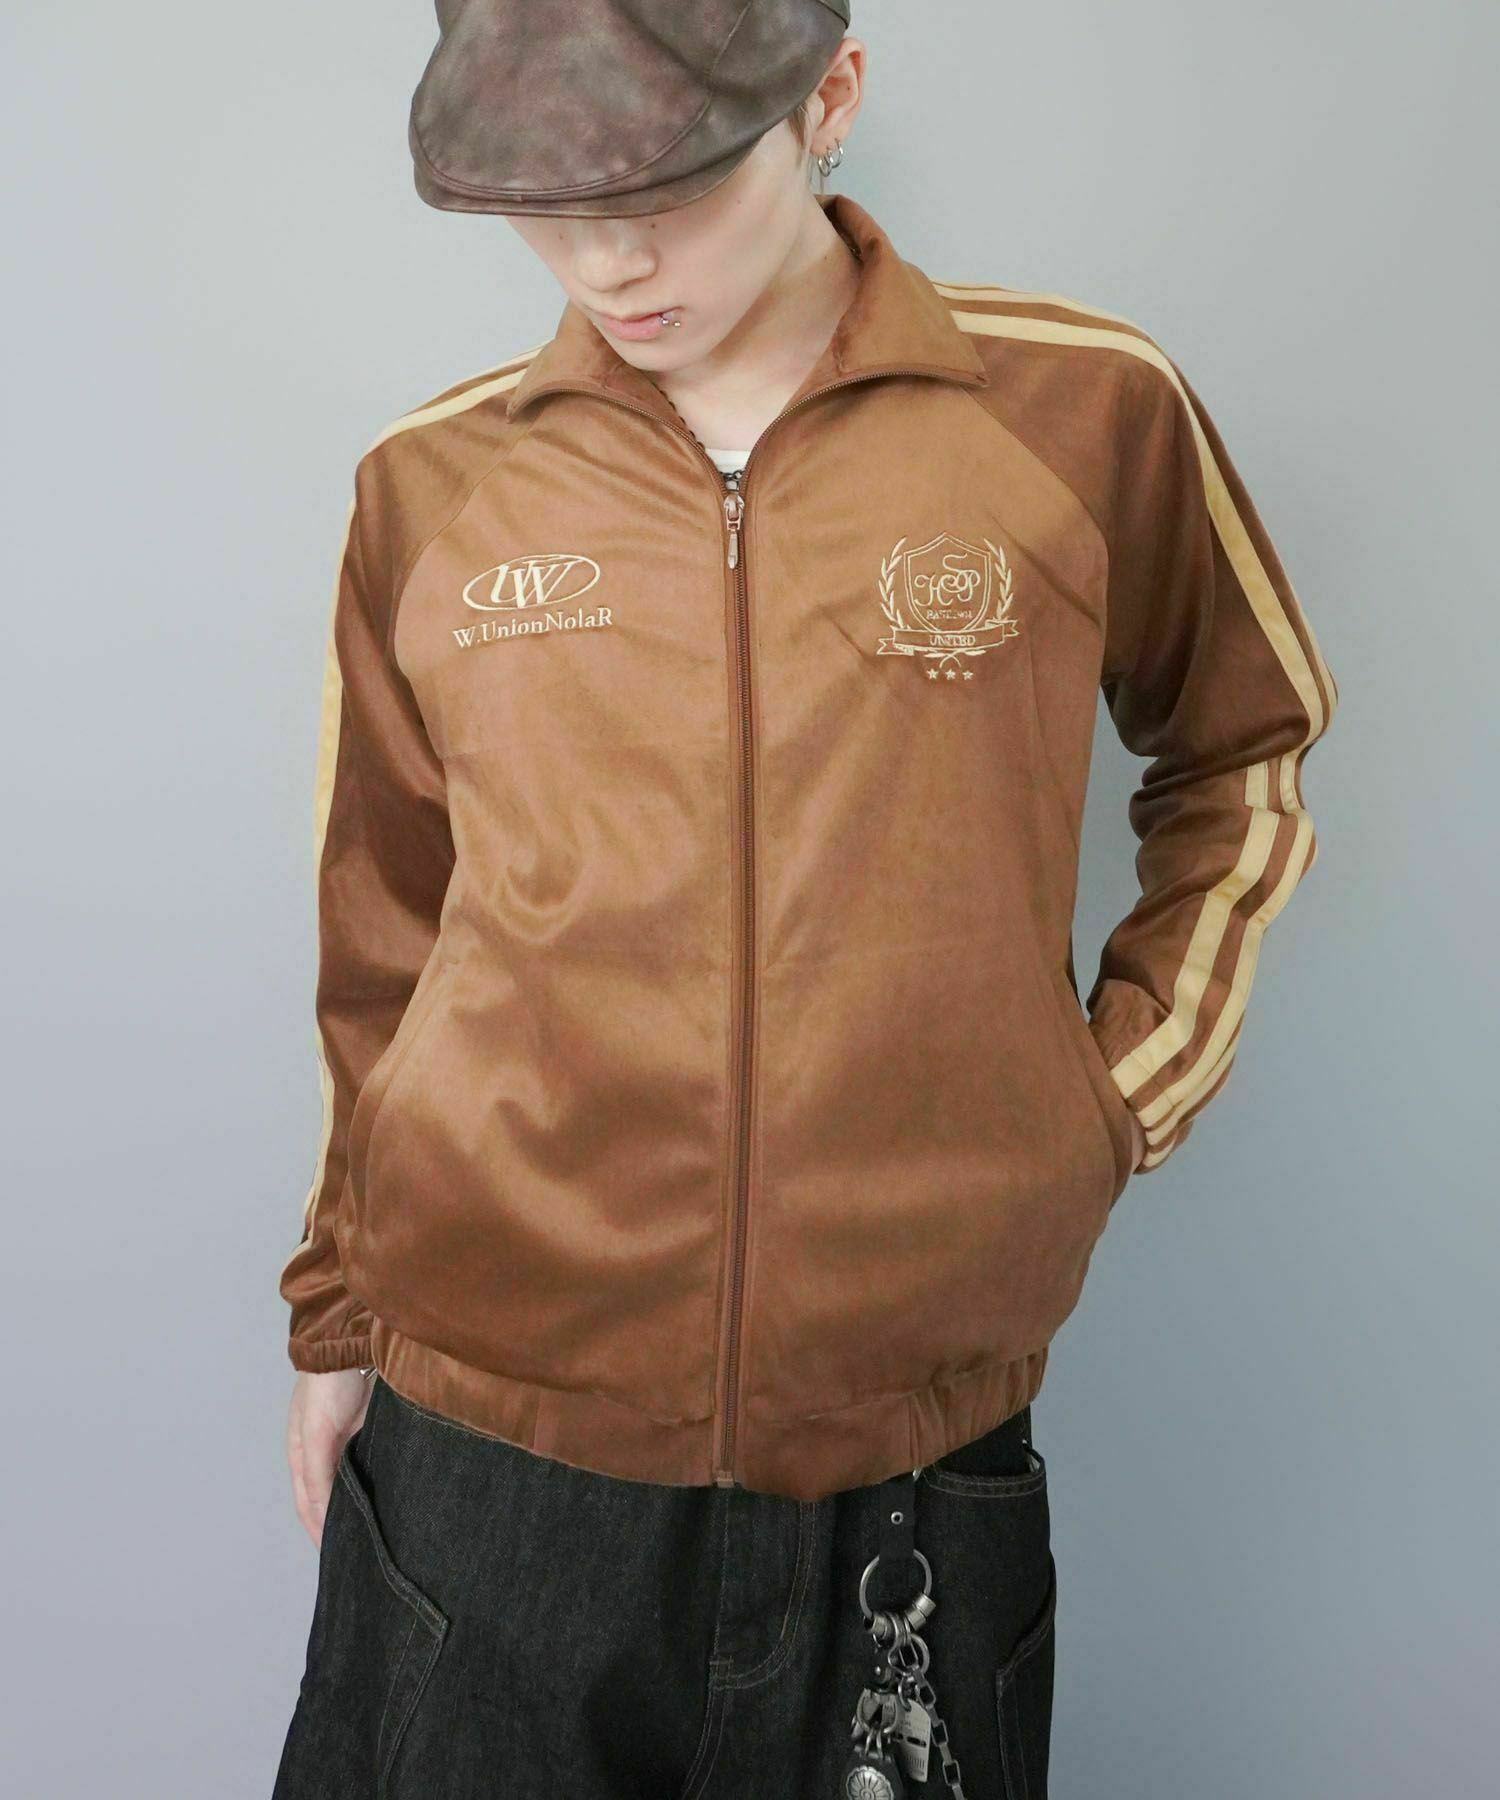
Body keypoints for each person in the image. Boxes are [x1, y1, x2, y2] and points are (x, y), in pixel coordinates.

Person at [272, 3, 1339, 1795]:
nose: (610, 263)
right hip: (489, 1443)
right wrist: (334, 1317)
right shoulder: (434, 484)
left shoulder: (1081, 412)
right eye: (548, 202)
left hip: (910, 1459)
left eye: (670, 186)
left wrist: (1109, 1096)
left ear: (828, 96)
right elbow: (382, 931)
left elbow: (1250, 745)